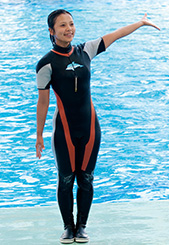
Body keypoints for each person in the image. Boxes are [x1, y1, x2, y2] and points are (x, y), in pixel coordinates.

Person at [35, 9, 159, 244]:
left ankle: (81, 227)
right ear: (51, 31)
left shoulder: (86, 50)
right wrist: (39, 135)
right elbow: (43, 102)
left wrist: (140, 23)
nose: (68, 29)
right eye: (62, 26)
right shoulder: (46, 64)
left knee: (87, 178)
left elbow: (115, 35)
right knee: (65, 179)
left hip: (91, 127)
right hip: (65, 129)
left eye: (71, 24)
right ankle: (67, 228)